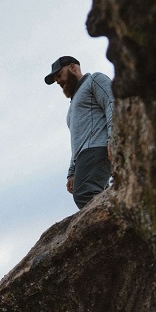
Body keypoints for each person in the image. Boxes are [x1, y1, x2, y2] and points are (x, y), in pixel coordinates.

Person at [44, 55, 114, 209]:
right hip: (84, 155)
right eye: (55, 79)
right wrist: (72, 171)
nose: (57, 81)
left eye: (59, 75)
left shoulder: (94, 80)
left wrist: (114, 137)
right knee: (95, 194)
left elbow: (112, 104)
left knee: (85, 193)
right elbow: (76, 139)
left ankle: (120, 224)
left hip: (98, 147)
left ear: (73, 67)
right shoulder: (72, 108)